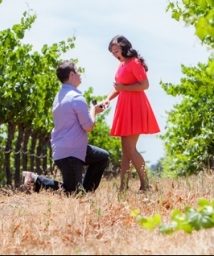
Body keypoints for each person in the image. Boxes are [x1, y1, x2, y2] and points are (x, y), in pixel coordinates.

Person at [22, 60, 109, 195]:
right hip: (72, 152)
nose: (80, 74)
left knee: (102, 157)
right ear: (71, 74)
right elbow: (89, 126)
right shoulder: (76, 98)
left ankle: (84, 193)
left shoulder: (59, 96)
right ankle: (35, 179)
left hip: (65, 148)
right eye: (78, 71)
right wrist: (93, 111)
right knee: (72, 192)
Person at [101, 35, 160, 192]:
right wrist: (107, 99)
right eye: (112, 52)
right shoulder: (121, 64)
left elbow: (145, 85)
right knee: (126, 150)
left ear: (124, 47)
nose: (115, 54)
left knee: (130, 148)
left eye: (116, 51)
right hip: (124, 106)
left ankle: (146, 185)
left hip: (135, 106)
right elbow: (118, 86)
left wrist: (123, 88)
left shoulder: (134, 62)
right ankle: (123, 188)